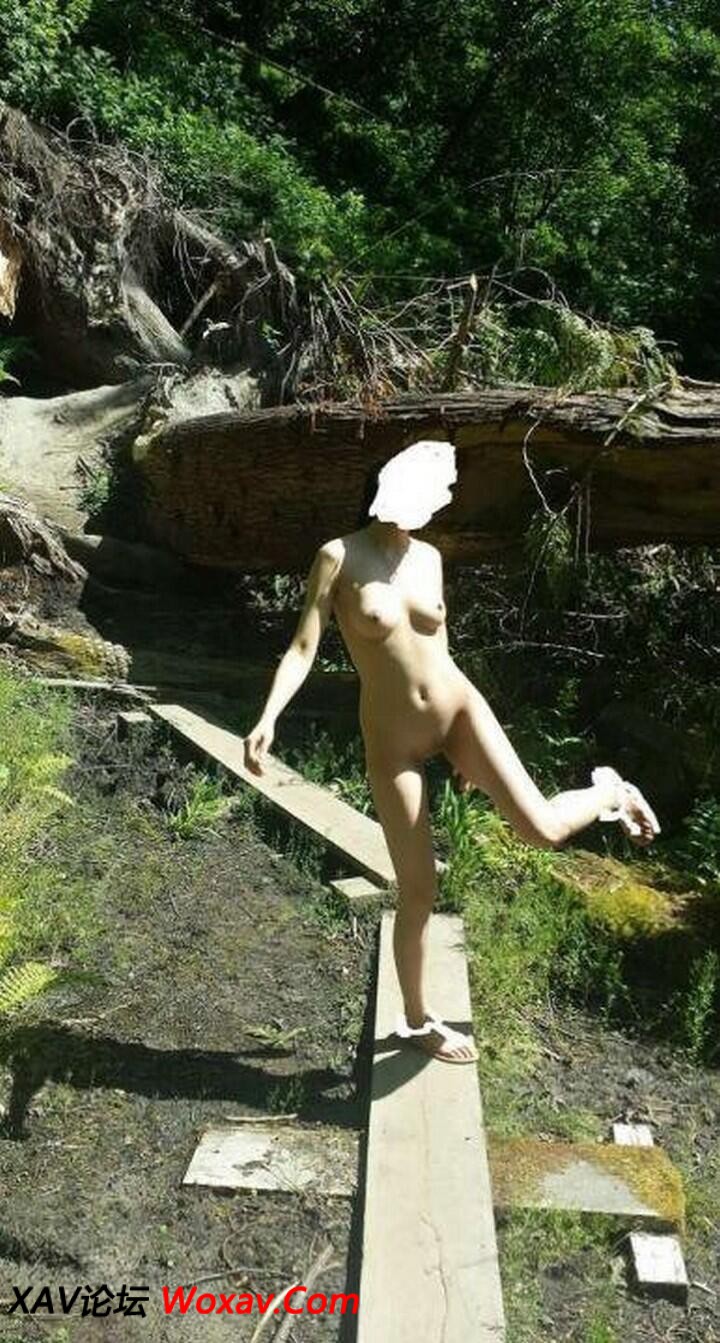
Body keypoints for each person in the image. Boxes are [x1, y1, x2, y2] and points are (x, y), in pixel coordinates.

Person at [243, 439, 660, 1064]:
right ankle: (417, 1022)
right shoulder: (338, 556)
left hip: (459, 710)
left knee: (543, 830)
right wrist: (269, 716)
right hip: (393, 743)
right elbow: (304, 648)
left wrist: (463, 752)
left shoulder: (431, 558)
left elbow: (437, 648)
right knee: (418, 890)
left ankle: (611, 792)